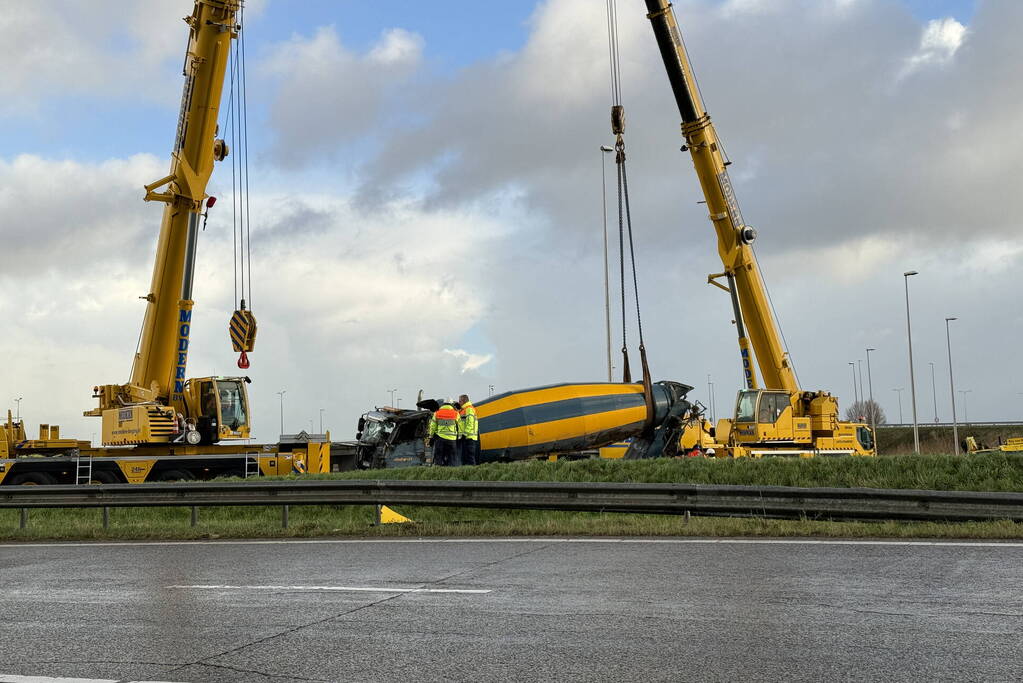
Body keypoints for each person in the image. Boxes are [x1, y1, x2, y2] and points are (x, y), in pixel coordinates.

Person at [427, 399, 461, 466]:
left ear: (443, 404)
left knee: (439, 457)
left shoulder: (437, 413)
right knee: (452, 458)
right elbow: (460, 426)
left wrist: (431, 436)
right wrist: (459, 436)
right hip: (452, 440)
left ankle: (439, 473)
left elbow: (433, 426)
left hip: (440, 439)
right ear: (451, 404)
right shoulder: (456, 413)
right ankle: (452, 472)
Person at [458, 394, 479, 466]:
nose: (459, 402)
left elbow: (470, 423)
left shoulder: (469, 409)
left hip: (469, 437)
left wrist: (464, 434)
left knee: (470, 459)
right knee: (465, 458)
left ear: (464, 401)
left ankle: (472, 474)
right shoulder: (463, 410)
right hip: (466, 437)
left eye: (460, 401)